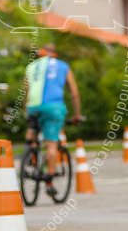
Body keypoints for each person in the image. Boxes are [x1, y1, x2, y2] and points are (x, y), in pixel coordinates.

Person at [23, 44, 83, 197]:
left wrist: (26, 111)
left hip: (33, 106)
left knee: (32, 129)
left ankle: (30, 152)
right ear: (54, 54)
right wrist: (77, 115)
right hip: (53, 107)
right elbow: (74, 93)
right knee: (51, 143)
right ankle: (49, 179)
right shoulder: (63, 66)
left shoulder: (31, 66)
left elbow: (26, 92)